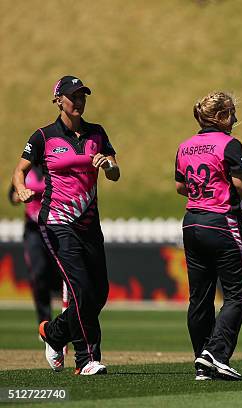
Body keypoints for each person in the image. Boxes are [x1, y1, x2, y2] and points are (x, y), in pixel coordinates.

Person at [12, 75, 120, 375]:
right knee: (81, 288)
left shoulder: (97, 133)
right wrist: (21, 189)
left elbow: (114, 172)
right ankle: (86, 360)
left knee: (99, 292)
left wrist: (109, 165)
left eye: (83, 95)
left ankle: (54, 333)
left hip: (89, 223)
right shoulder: (43, 136)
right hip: (57, 221)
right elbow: (18, 171)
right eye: (73, 96)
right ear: (59, 100)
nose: (79, 101)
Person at [175, 91, 242, 381]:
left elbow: (180, 186)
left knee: (199, 297)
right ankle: (216, 354)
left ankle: (202, 360)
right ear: (221, 117)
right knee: (237, 293)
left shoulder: (184, 146)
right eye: (232, 113)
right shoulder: (230, 144)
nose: (235, 118)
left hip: (191, 223)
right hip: (221, 222)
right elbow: (240, 182)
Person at [8, 165, 61, 324]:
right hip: (33, 231)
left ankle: (68, 322)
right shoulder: (26, 169)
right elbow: (12, 196)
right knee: (38, 274)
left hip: (56, 228)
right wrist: (20, 195)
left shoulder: (55, 165)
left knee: (61, 275)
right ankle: (44, 321)